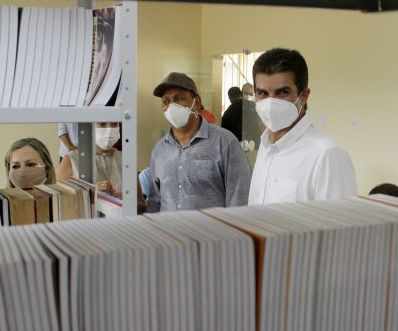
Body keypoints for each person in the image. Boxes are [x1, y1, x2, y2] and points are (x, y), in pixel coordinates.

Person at [248, 48, 356, 205]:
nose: (271, 103)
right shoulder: (265, 146)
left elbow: (340, 227)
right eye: (262, 93)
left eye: (282, 92)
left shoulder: (327, 155)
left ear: (304, 96)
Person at [147, 72, 250, 213]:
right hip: (168, 233)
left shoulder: (225, 142)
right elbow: (155, 201)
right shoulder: (159, 150)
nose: (171, 106)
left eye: (178, 99)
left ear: (197, 102)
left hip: (212, 234)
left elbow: (239, 200)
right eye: (166, 101)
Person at [57, 122, 122, 197]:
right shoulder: (71, 159)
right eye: (102, 124)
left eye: (114, 124)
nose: (109, 129)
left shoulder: (125, 159)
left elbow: (138, 202)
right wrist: (90, 195)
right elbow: (61, 201)